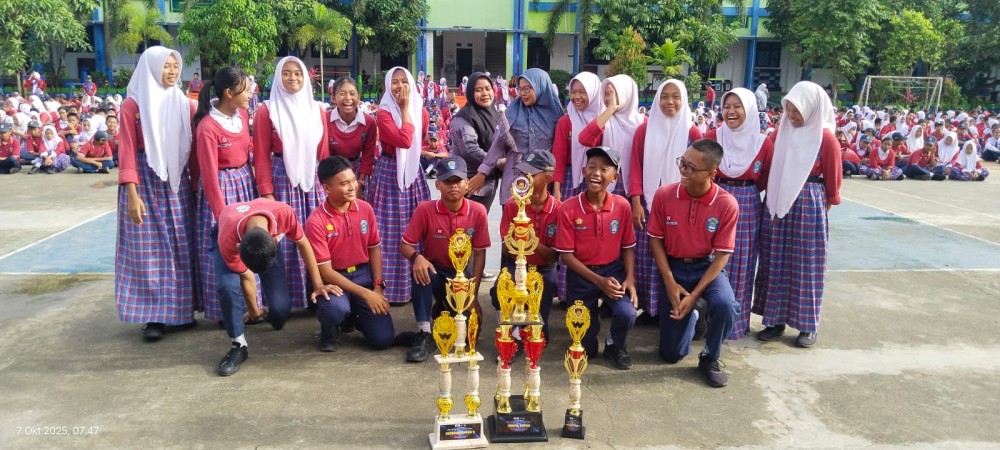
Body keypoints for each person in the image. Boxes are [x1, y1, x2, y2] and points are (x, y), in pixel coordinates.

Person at [115, 46, 200, 340]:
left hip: (177, 183)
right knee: (149, 248)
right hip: (145, 181)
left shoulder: (185, 105)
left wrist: (196, 186)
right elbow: (127, 150)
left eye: (175, 66)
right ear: (151, 68)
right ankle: (154, 317)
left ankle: (182, 311)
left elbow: (192, 151)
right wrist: (131, 193)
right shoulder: (133, 106)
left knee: (180, 244)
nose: (172, 71)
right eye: (166, 66)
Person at [754, 81, 841, 348]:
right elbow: (766, 163)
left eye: (797, 111)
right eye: (788, 110)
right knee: (774, 261)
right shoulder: (780, 133)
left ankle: (807, 325)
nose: (791, 116)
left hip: (808, 204)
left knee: (806, 265)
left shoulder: (825, 138)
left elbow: (833, 182)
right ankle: (774, 320)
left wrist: (821, 208)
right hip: (776, 203)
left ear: (812, 108)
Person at [648, 139, 738, 387]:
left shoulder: (726, 203)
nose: (683, 171)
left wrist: (694, 294)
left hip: (706, 267)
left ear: (711, 173)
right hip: (674, 268)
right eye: (682, 163)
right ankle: (696, 316)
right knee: (671, 355)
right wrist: (670, 283)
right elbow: (655, 240)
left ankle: (710, 356)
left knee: (726, 304)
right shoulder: (664, 195)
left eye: (691, 167)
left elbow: (722, 255)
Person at [212, 198, 335, 376]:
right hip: (229, 233)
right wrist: (254, 312)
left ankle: (275, 314)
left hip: (261, 240)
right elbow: (246, 276)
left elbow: (303, 243)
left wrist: (318, 284)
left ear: (275, 239)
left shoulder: (284, 214)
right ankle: (238, 344)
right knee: (228, 287)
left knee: (280, 311)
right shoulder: (228, 240)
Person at [253, 56, 329, 312]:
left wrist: (327, 185)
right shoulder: (267, 110)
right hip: (281, 180)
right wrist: (267, 193)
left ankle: (315, 291)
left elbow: (324, 153)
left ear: (305, 77)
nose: (292, 77)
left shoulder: (317, 110)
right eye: (286, 73)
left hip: (313, 181)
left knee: (315, 235)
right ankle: (286, 298)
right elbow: (261, 154)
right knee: (284, 239)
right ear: (278, 76)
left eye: (297, 73)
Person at [553, 146, 638, 370]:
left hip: (613, 272)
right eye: (592, 167)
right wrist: (599, 281)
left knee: (628, 314)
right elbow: (566, 256)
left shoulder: (622, 206)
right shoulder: (569, 208)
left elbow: (628, 246)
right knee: (586, 349)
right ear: (583, 171)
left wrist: (630, 279)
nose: (596, 173)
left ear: (615, 177)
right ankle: (591, 326)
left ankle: (615, 345)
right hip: (581, 276)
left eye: (604, 169)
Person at [399, 156, 490, 362]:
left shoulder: (478, 211)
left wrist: (473, 296)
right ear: (437, 184)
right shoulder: (425, 209)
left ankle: (442, 309)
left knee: (467, 337)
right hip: (435, 271)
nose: (453, 186)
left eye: (458, 181)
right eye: (447, 181)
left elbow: (480, 253)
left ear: (467, 183)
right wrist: (417, 257)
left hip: (461, 277)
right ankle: (424, 332)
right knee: (420, 272)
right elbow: (405, 245)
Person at [627, 79, 702, 318]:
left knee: (673, 255)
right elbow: (635, 167)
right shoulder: (644, 130)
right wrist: (636, 201)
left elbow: (700, 173)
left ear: (684, 100)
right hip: (649, 204)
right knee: (646, 255)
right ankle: (649, 309)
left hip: (681, 204)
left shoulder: (692, 132)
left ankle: (671, 308)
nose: (670, 101)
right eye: (664, 96)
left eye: (676, 96)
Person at [703, 88, 773, 340]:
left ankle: (735, 323)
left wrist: (743, 190)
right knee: (710, 257)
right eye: (727, 106)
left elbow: (764, 178)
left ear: (750, 110)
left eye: (737, 106)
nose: (730, 112)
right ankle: (706, 323)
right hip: (714, 199)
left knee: (742, 261)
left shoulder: (763, 143)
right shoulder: (713, 137)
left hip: (747, 204)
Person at [306, 156, 395, 352]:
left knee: (384, 339)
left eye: (353, 180)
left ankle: (354, 316)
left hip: (363, 275)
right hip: (334, 280)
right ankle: (330, 328)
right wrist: (366, 294)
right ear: (327, 188)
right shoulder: (316, 221)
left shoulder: (365, 209)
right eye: (344, 184)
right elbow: (325, 272)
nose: (352, 187)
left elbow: (374, 248)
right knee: (335, 309)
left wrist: (377, 287)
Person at [194, 67, 259, 324]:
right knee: (224, 247)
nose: (250, 94)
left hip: (244, 182)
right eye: (246, 90)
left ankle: (253, 304)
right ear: (229, 93)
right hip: (222, 188)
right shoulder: (208, 127)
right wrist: (221, 215)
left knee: (248, 243)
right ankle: (226, 311)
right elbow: (209, 176)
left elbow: (247, 149)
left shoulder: (242, 115)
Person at [369, 67, 431, 306]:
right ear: (387, 85)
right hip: (389, 172)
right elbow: (404, 140)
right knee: (389, 229)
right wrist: (405, 109)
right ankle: (391, 288)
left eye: (404, 81)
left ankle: (419, 285)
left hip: (413, 172)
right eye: (394, 82)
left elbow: (420, 139)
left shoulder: (421, 110)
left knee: (415, 226)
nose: (399, 86)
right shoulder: (384, 113)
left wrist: (409, 109)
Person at [489, 149, 560, 339]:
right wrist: (519, 237)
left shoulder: (558, 210)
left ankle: (530, 326)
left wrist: (530, 239)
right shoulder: (512, 205)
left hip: (544, 269)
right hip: (515, 264)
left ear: (548, 177)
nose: (525, 178)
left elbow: (553, 256)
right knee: (500, 291)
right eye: (523, 173)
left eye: (531, 174)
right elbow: (506, 248)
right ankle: (512, 328)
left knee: (539, 334)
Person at [467, 68, 563, 206]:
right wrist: (483, 172)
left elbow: (560, 153)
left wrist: (557, 186)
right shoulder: (513, 112)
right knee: (512, 217)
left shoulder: (557, 115)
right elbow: (497, 146)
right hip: (515, 177)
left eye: (527, 89)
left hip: (543, 182)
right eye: (520, 89)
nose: (522, 93)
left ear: (540, 86)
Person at [551, 71, 601, 305]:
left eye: (583, 92)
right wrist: (557, 189)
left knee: (594, 237)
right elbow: (558, 157)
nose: (577, 96)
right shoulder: (566, 121)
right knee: (570, 237)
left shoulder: (603, 120)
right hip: (571, 181)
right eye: (573, 92)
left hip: (597, 180)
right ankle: (566, 294)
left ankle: (597, 293)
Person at [578, 75, 645, 197]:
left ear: (626, 94)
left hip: (635, 186)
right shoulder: (603, 120)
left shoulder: (642, 122)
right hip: (606, 182)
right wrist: (610, 109)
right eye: (606, 94)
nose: (608, 98)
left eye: (614, 94)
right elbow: (584, 139)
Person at [450, 72, 501, 211]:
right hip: (468, 180)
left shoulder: (493, 113)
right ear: (471, 93)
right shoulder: (464, 117)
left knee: (480, 218)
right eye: (478, 90)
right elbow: (470, 149)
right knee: (465, 220)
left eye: (488, 88)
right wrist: (497, 163)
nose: (485, 93)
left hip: (488, 178)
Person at [327, 76, 378, 195]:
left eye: (352, 93)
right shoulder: (324, 119)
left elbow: (368, 156)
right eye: (342, 94)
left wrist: (359, 182)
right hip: (332, 170)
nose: (348, 98)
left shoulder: (369, 122)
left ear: (359, 97)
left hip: (357, 172)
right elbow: (324, 154)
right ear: (333, 98)